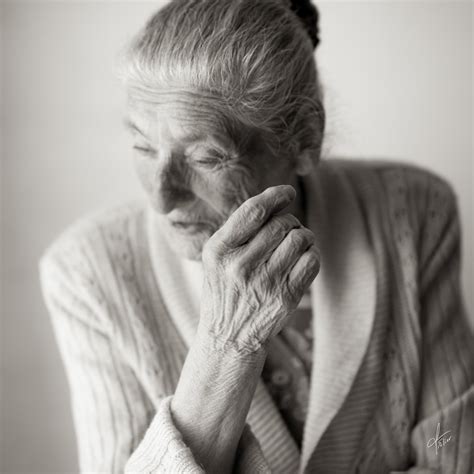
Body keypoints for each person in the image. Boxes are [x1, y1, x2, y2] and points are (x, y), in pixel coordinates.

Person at [38, 0, 473, 472]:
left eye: (206, 158)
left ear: (305, 138)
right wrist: (227, 346)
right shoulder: (87, 271)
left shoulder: (413, 210)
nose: (163, 200)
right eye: (144, 147)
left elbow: (452, 450)